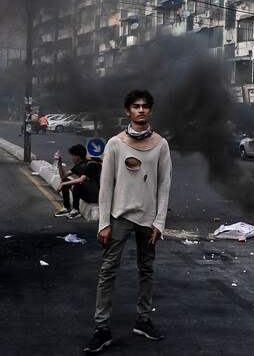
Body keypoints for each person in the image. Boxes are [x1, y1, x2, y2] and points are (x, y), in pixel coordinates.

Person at [85, 90, 172, 354]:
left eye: (145, 106)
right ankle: (102, 328)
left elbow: (164, 184)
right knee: (108, 271)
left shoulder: (161, 144)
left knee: (146, 270)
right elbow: (105, 185)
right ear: (128, 111)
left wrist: (160, 222)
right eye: (136, 106)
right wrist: (104, 222)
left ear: (151, 110)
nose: (141, 110)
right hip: (119, 217)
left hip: (148, 220)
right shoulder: (115, 144)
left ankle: (143, 320)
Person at [55, 144, 101, 219]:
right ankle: (66, 208)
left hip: (94, 195)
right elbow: (63, 176)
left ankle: (76, 210)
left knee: (77, 185)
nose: (71, 158)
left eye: (72, 156)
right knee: (65, 180)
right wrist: (59, 165)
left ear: (77, 157)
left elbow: (81, 179)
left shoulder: (91, 164)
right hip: (87, 191)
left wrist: (63, 184)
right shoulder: (78, 165)